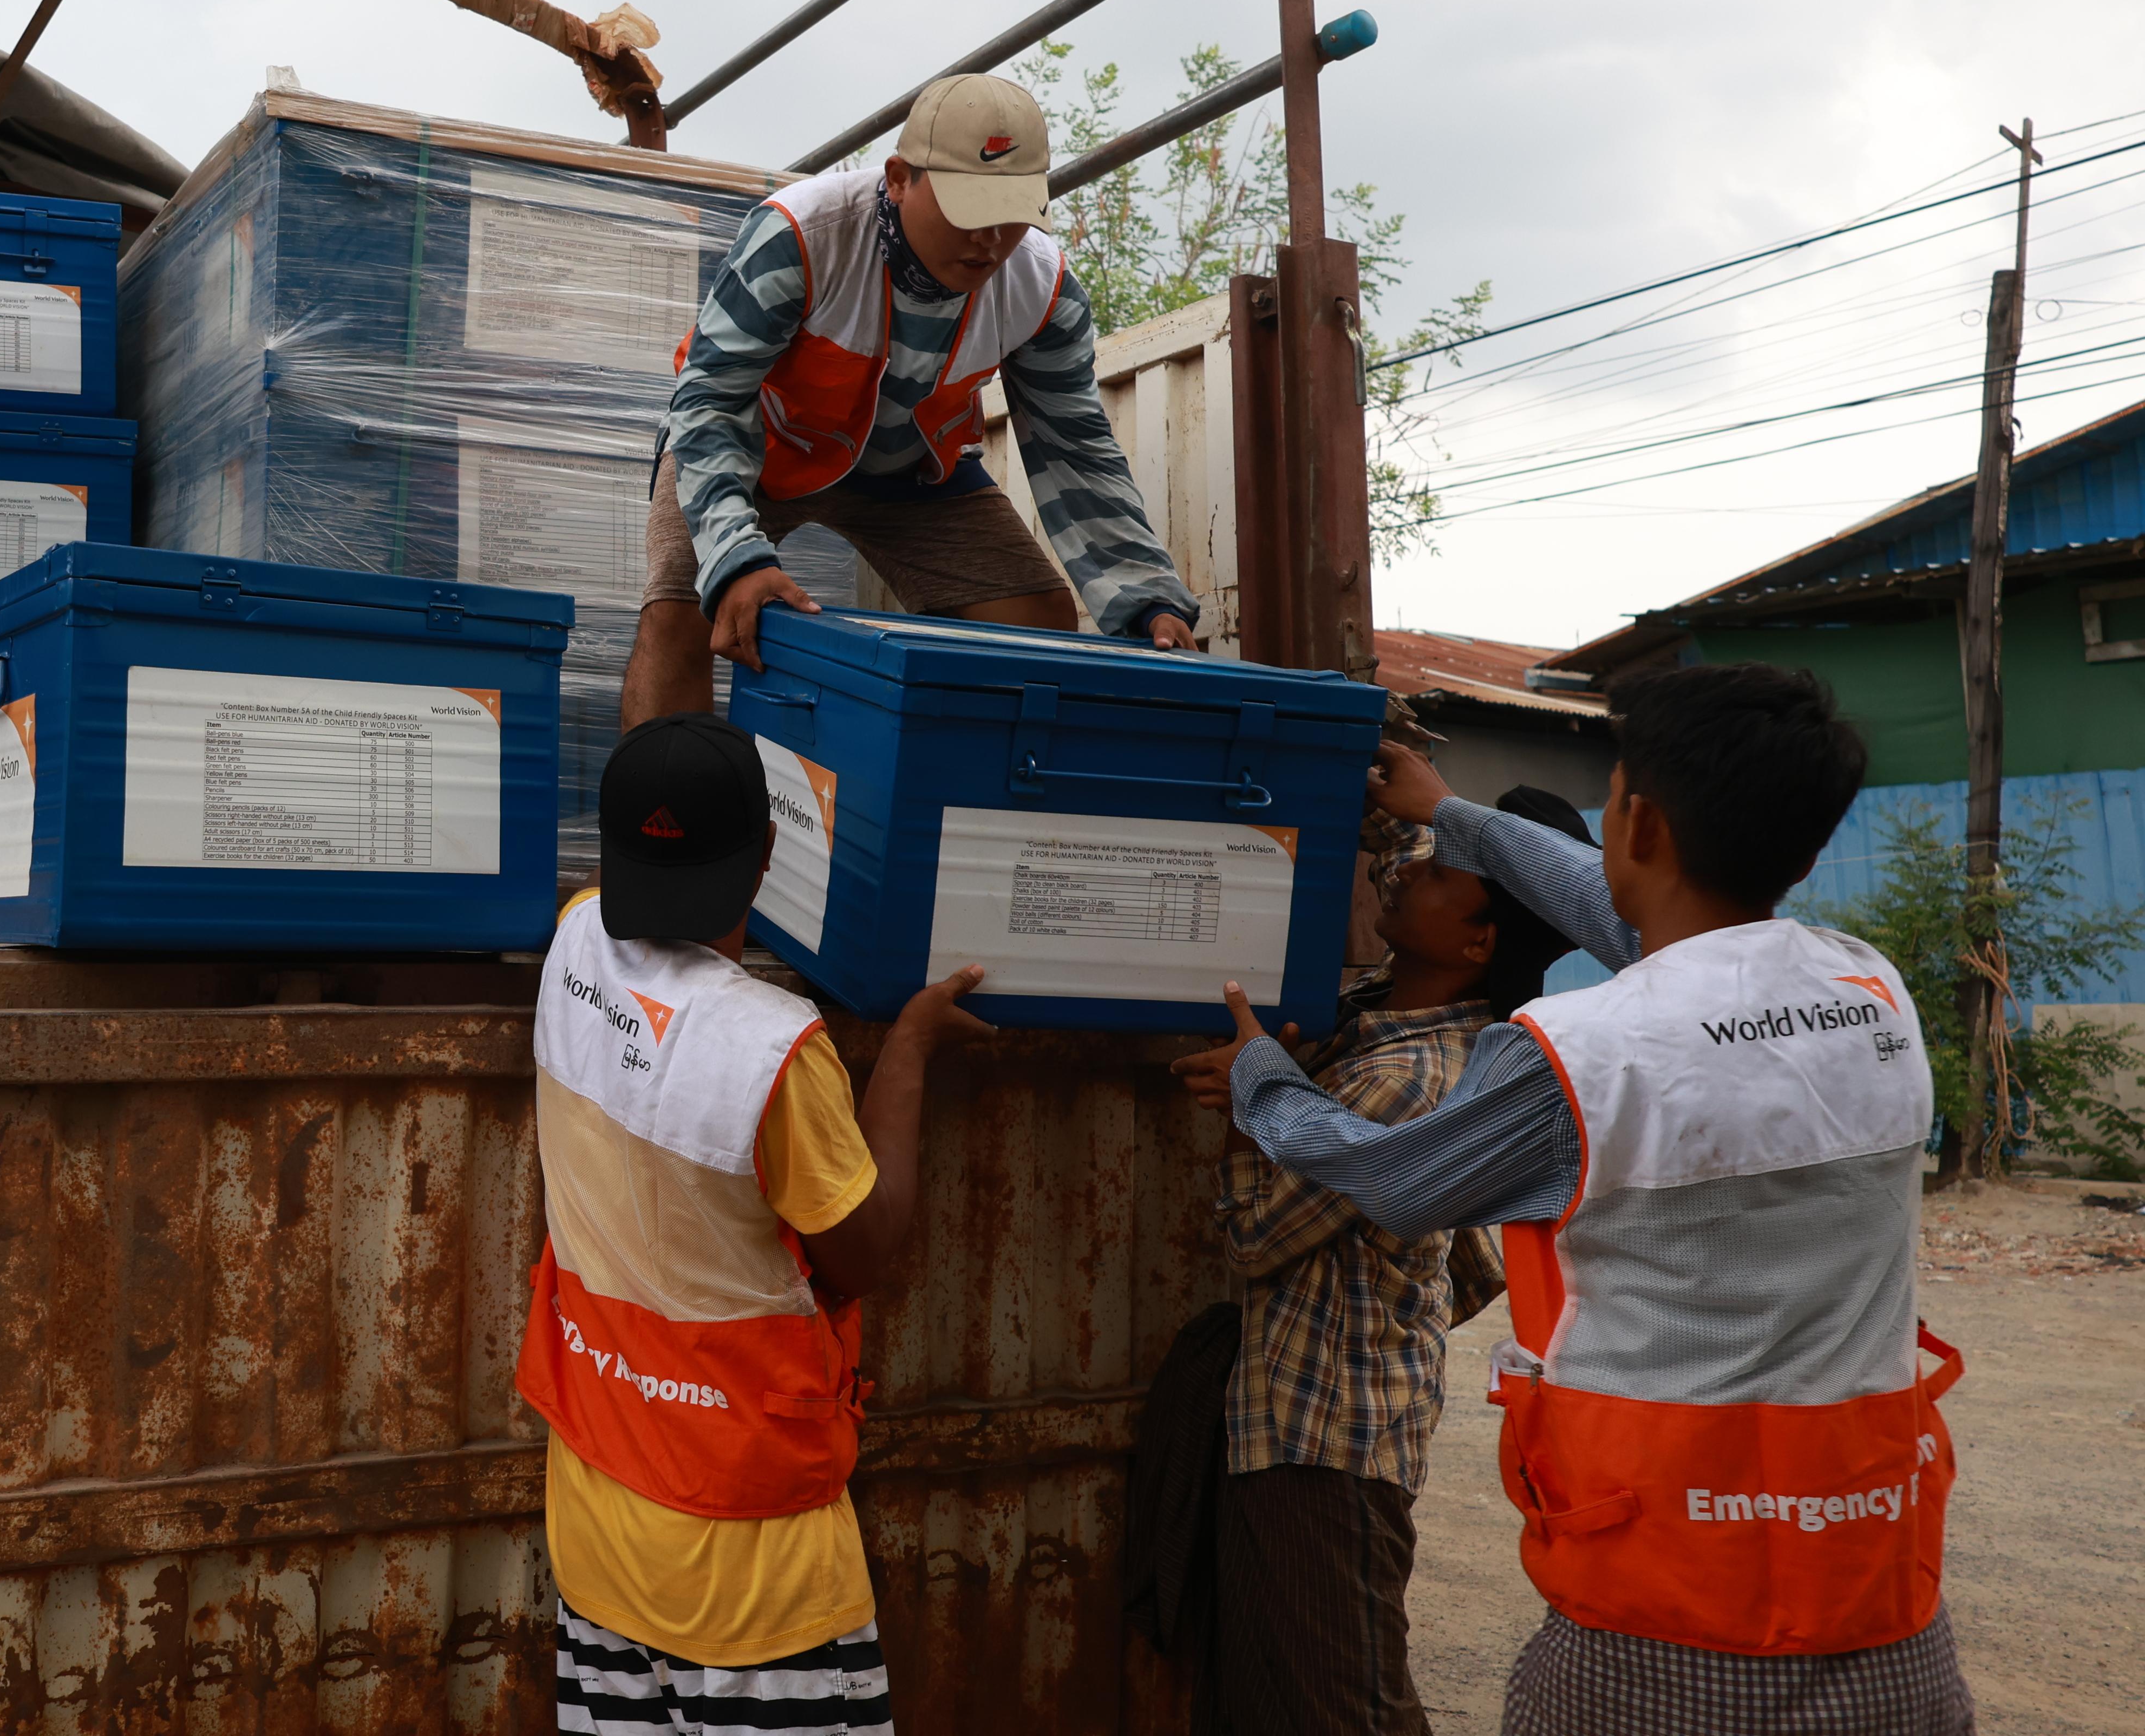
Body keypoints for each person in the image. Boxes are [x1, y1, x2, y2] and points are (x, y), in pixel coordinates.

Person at [1185, 664, 1970, 1736]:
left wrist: (1263, 1081)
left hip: (1660, 1611)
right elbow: (1659, 934)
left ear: (1636, 820)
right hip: (1876, 1583)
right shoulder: (1870, 991)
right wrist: (1449, 813)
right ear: (1811, 841)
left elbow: (1395, 1178)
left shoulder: (1583, 1055)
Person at [519, 712, 992, 1734]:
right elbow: (861, 1251)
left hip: (599, 1522)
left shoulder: (575, 940)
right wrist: (907, 1049)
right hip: (754, 1567)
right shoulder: (773, 1049)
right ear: (770, 854)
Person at [1171, 788, 1590, 1734]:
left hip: (1329, 1441)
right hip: (1301, 1426)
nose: (1408, 869)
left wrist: (1251, 1119)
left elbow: (1255, 1241)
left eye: (1439, 872)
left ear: (1477, 944)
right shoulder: (1386, 1029)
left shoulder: (1407, 1077)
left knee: (1351, 1710)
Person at [622, 73, 1201, 727]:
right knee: (681, 607)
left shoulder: (1043, 290)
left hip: (911, 470)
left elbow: (1077, 450)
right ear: (899, 178)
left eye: (1012, 212)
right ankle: (662, 820)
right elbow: (710, 401)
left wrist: (1149, 599)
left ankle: (943, 812)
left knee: (1036, 620)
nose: (989, 238)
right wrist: (733, 561)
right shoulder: (800, 236)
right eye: (968, 207)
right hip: (762, 453)